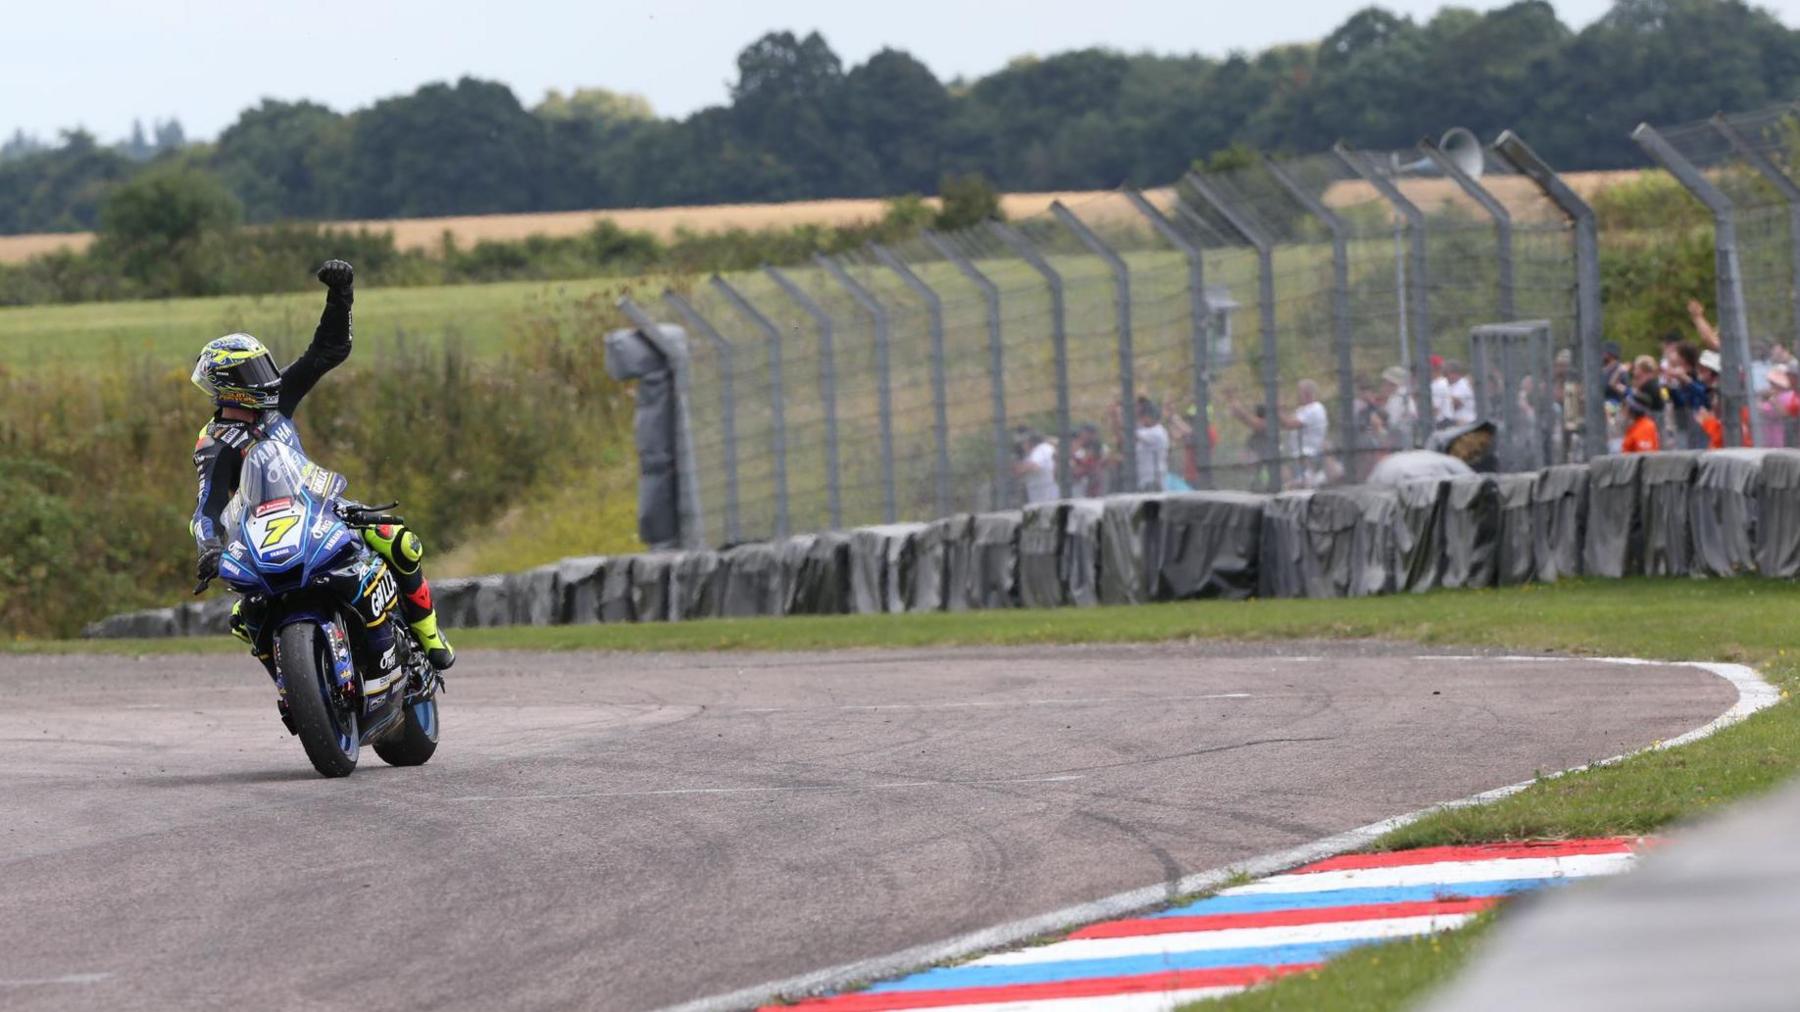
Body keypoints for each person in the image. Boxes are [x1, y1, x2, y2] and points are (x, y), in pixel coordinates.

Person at [191, 260, 455, 672]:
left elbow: (327, 351)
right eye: (253, 372)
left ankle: (427, 632)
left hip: (319, 508)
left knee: (398, 539)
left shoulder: (276, 400)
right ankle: (293, 685)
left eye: (265, 367)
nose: (268, 378)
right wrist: (209, 547)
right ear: (229, 387)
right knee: (243, 617)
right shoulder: (214, 442)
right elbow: (206, 507)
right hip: (261, 535)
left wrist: (341, 293)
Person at [1281, 379, 1333, 488]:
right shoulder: (1302, 409)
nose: (1297, 395)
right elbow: (1285, 424)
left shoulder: (1315, 408)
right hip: (1298, 456)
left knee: (1303, 487)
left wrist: (1277, 409)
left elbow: (1291, 424)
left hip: (1310, 455)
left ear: (1307, 393)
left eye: (1299, 392)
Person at [1013, 427, 1059, 504]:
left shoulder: (1041, 449)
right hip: (1041, 497)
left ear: (1030, 442)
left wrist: (1020, 467)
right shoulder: (1032, 453)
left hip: (1046, 498)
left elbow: (1034, 466)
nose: (1022, 445)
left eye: (1024, 442)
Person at [1621, 385, 1661, 454]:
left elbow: (1644, 455)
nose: (1623, 411)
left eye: (1626, 407)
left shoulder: (1645, 426)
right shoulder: (1634, 426)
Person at [1444, 360, 1477, 426]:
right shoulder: (1452, 385)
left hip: (1467, 422)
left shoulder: (1463, 384)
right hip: (1459, 423)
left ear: (1456, 373)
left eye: (1448, 373)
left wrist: (1444, 399)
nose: (1446, 376)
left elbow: (1456, 404)